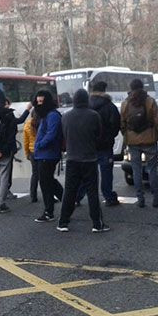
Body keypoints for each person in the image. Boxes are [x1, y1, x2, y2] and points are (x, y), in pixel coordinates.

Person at [56, 89, 110, 232]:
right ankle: (97, 223)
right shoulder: (93, 116)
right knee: (92, 192)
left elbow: (63, 136)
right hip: (89, 158)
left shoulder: (66, 117)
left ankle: (63, 222)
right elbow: (99, 135)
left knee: (69, 191)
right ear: (86, 100)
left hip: (72, 158)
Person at [121, 79, 158, 208]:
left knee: (136, 170)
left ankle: (140, 199)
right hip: (149, 139)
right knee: (152, 169)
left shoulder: (126, 103)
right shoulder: (150, 101)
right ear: (142, 87)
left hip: (132, 139)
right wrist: (154, 136)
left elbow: (122, 123)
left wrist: (127, 136)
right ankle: (156, 198)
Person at [77, 81, 121, 206]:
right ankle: (109, 196)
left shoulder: (86, 106)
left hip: (88, 145)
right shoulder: (110, 106)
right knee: (106, 173)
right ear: (104, 91)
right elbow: (115, 125)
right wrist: (108, 138)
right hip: (105, 146)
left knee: (86, 173)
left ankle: (77, 196)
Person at [33, 89, 65, 221]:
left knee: (45, 183)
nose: (39, 104)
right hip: (45, 153)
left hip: (48, 153)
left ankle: (49, 211)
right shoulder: (47, 115)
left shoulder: (51, 115)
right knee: (48, 180)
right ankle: (67, 199)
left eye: (41, 101)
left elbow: (51, 134)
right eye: (38, 101)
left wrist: (39, 145)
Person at [3, 98, 32, 200]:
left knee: (4, 170)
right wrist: (27, 110)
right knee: (7, 169)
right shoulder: (8, 114)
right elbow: (19, 121)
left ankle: (5, 190)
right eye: (6, 104)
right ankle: (6, 190)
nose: (8, 106)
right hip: (9, 146)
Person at [23, 110, 40, 203]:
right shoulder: (41, 122)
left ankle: (33, 195)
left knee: (35, 174)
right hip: (41, 152)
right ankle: (49, 194)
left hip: (32, 152)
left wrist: (27, 153)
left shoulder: (27, 124)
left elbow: (25, 141)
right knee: (44, 175)